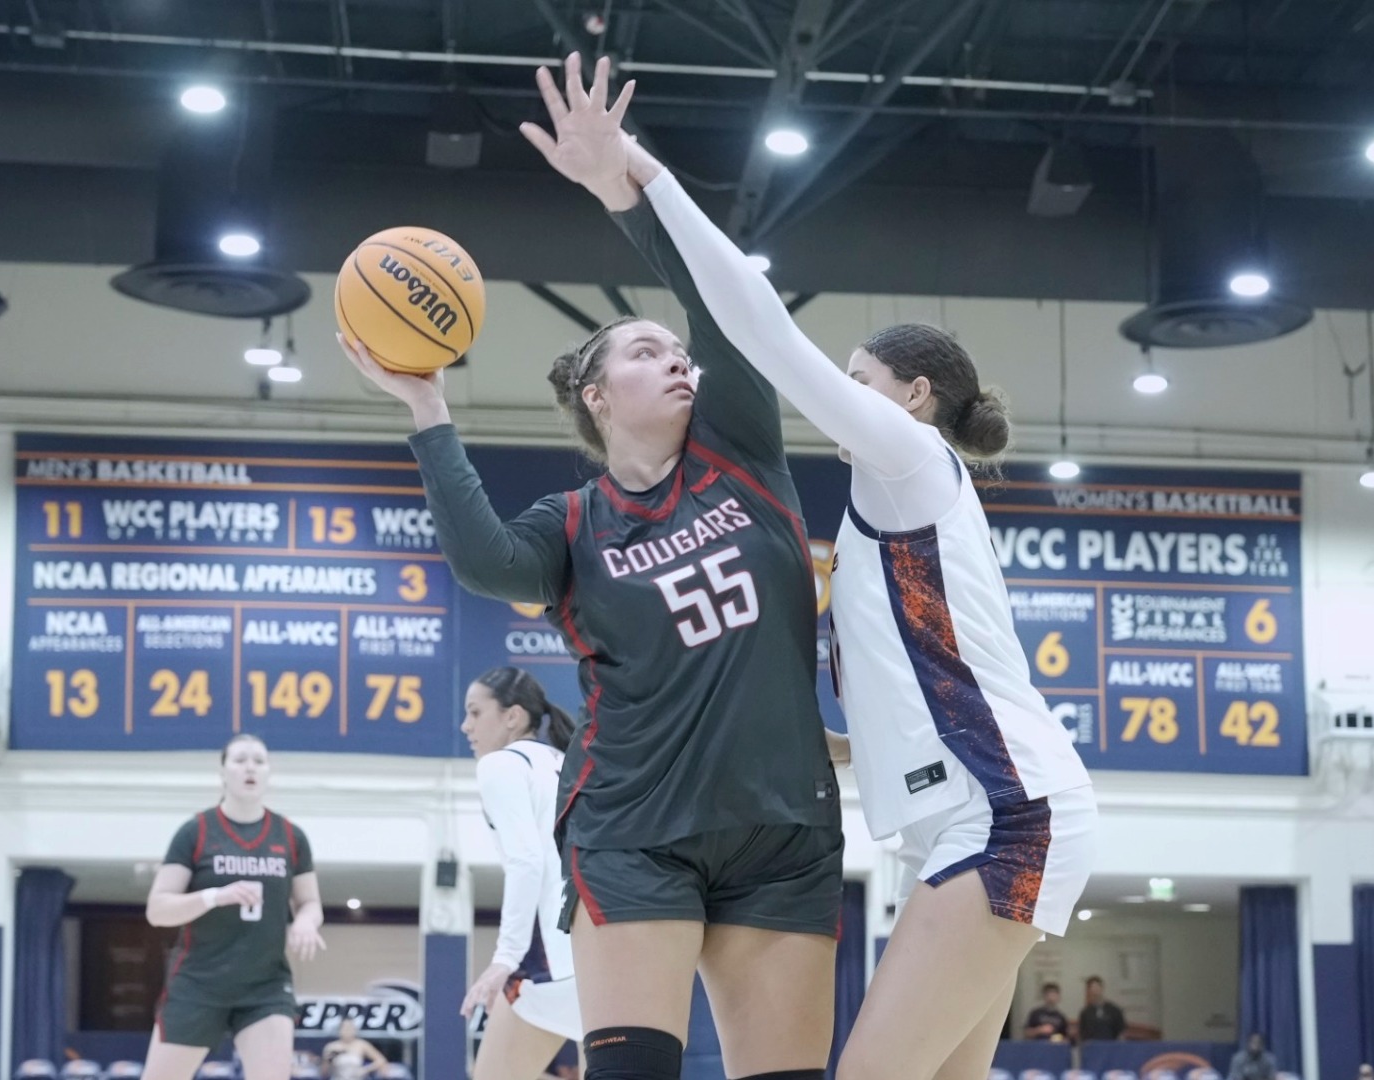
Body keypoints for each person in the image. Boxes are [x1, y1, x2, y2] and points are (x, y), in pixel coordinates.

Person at [580, 67, 1099, 1080]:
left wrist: (643, 175)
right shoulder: (883, 516)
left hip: (1003, 816)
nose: (843, 396)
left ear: (912, 395)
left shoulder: (910, 459)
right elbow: (919, 696)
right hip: (967, 820)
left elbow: (762, 329)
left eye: (859, 381)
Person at [343, 52, 844, 1080]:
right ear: (598, 397)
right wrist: (428, 407)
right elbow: (486, 562)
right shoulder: (572, 523)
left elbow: (719, 297)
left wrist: (624, 184)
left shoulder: (741, 451)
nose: (677, 358)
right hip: (633, 827)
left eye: (678, 351)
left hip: (783, 827)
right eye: (645, 352)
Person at [141, 733, 326, 1080]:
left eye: (259, 761)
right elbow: (158, 909)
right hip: (199, 982)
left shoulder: (290, 836)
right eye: (240, 760)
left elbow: (310, 902)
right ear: (223, 771)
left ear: (269, 772)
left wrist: (305, 921)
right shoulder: (195, 832)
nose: (250, 767)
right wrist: (214, 896)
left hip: (264, 985)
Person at [458, 667, 582, 1078]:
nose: (466, 726)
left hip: (552, 956)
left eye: (475, 712)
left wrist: (505, 958)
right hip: (602, 950)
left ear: (512, 716)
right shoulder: (566, 761)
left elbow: (526, 861)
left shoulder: (500, 764)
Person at [321, 1019, 388, 1080]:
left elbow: (381, 1060)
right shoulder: (331, 1047)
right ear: (340, 1030)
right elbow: (324, 1073)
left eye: (350, 1028)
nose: (347, 1031)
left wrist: (365, 1070)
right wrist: (329, 1060)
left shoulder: (361, 1045)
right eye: (345, 1028)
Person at [1078, 977, 1127, 1042]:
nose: (1094, 991)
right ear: (1089, 991)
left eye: (1096, 987)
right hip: (1092, 1046)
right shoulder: (1085, 1013)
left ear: (1102, 988)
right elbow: (1082, 1035)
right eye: (1091, 988)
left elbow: (1121, 1033)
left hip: (1110, 1045)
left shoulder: (1114, 1010)